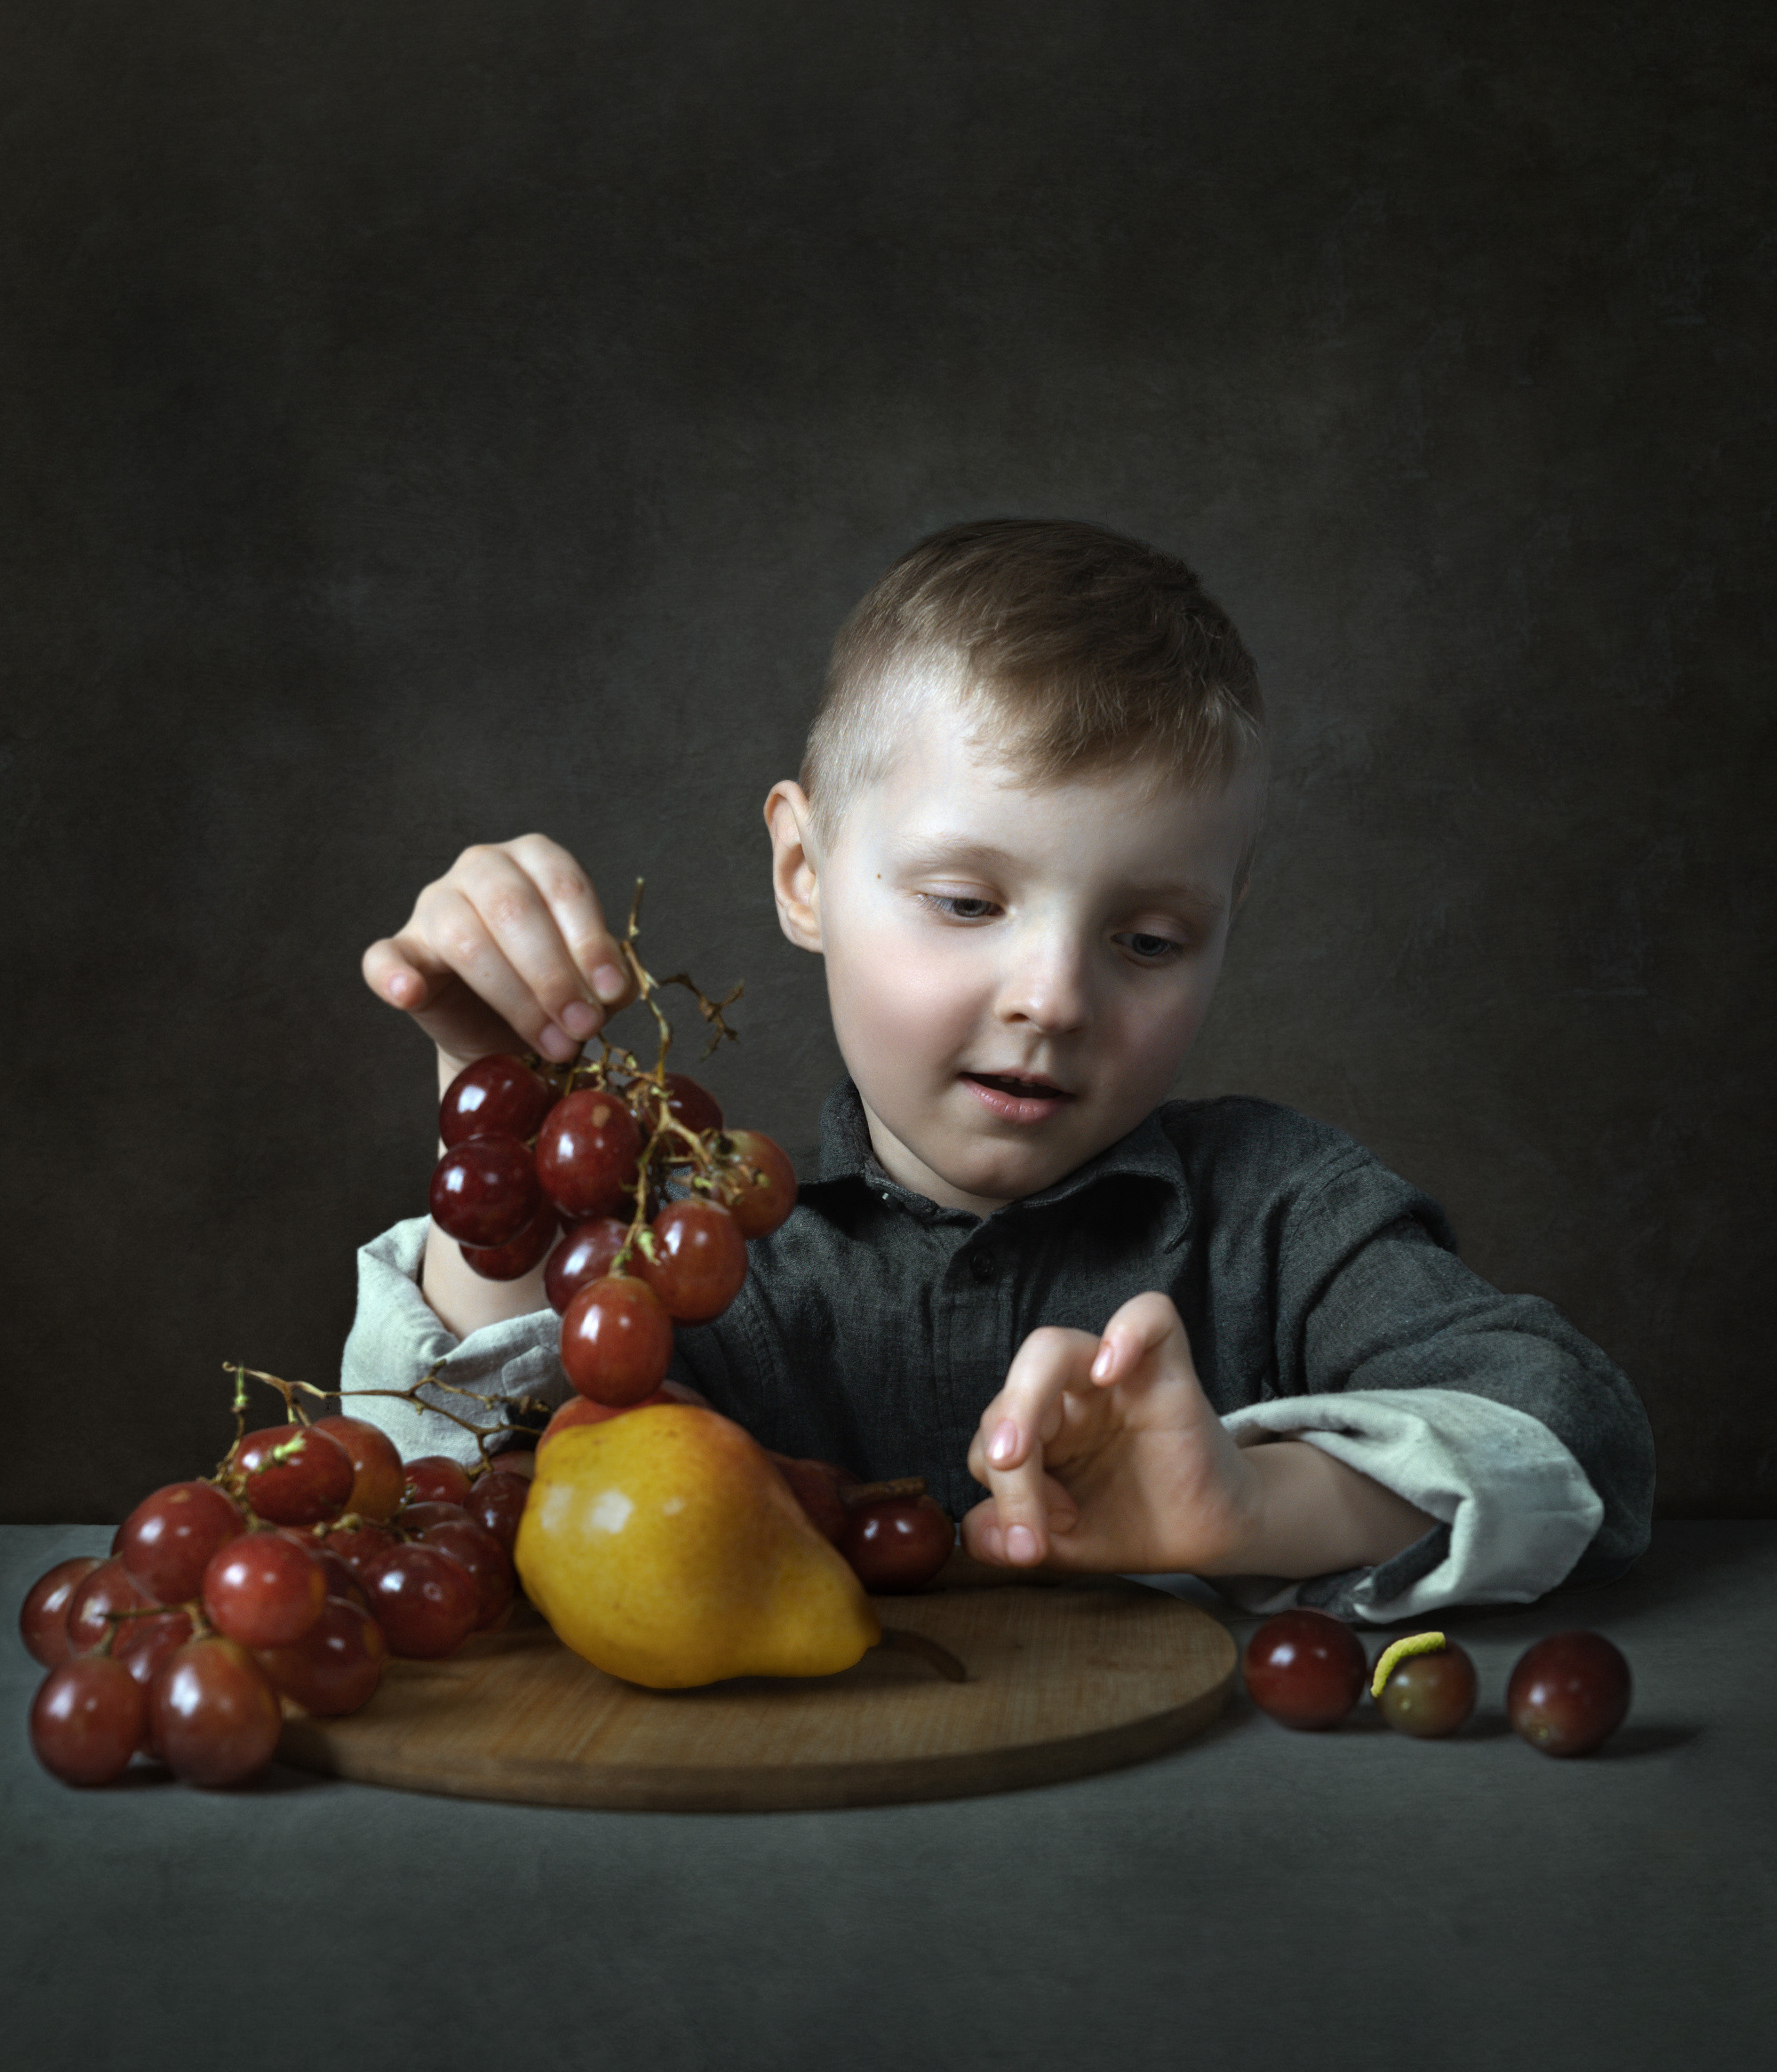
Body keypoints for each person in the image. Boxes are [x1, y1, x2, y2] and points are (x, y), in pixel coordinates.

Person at [346, 519, 1652, 1622]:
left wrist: (1257, 1504)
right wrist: (492, 1110)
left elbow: (1573, 1435)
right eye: (967, 903)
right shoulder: (694, 1263)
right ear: (804, 873)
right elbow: (449, 1504)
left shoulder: (1286, 1216)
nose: (1054, 998)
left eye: (1149, 940)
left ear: (1226, 926)